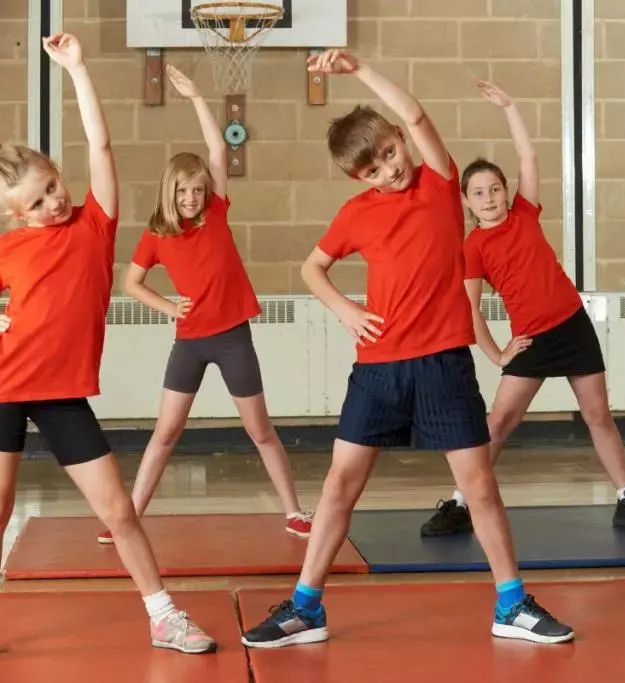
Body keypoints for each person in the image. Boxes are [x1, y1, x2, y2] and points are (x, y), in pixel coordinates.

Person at [240, 50, 574, 649]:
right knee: (339, 485)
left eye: (391, 154)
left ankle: (512, 604)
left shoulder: (440, 185)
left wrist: (360, 71)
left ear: (400, 139)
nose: (389, 171)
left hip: (444, 364)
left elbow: (417, 115)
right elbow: (312, 268)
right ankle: (306, 607)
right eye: (373, 170)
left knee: (479, 487)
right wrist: (345, 310)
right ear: (358, 179)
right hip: (378, 369)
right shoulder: (355, 213)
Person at [0, 34, 215, 654]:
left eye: (52, 185)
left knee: (118, 510)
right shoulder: (10, 247)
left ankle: (163, 616)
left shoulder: (95, 224)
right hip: (6, 387)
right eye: (37, 201)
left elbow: (100, 145)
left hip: (61, 393)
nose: (53, 200)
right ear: (17, 214)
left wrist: (77, 69)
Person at [420, 80, 625, 537]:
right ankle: (460, 502)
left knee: (598, 416)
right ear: (467, 201)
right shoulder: (473, 246)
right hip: (530, 339)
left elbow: (528, 157)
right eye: (479, 193)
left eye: (495, 189)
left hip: (572, 327)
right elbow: (469, 308)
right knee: (498, 423)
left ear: (506, 191)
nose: (490, 198)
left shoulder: (525, 214)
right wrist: (497, 354)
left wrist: (511, 106)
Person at [97, 65, 311, 544]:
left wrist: (196, 96)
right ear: (169, 192)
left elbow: (217, 150)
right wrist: (169, 308)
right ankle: (129, 515)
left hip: (232, 337)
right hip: (189, 343)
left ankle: (294, 511)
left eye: (198, 189)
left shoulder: (216, 212)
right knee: (165, 432)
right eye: (183, 190)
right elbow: (131, 283)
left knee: (260, 431)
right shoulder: (157, 234)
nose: (192, 197)